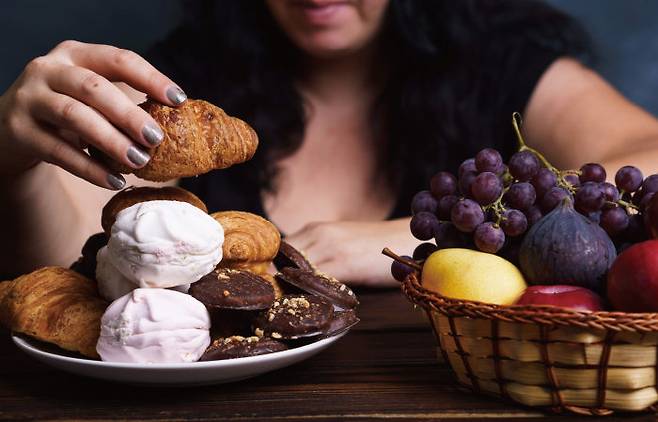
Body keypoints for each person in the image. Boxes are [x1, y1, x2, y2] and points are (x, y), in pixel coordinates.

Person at [1, 0, 658, 285]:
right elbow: (72, 261)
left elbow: (645, 168)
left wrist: (419, 239)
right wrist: (14, 163)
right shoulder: (184, 88)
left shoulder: (503, 57)